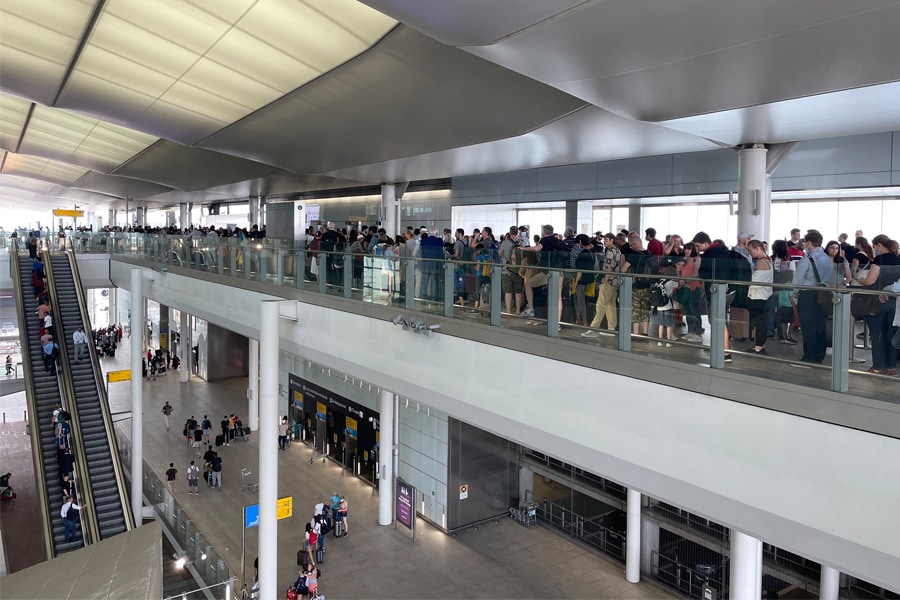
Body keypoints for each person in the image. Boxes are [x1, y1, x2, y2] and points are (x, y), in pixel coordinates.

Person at [854, 234, 899, 375]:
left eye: (875, 247)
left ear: (879, 245)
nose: (875, 250)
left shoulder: (880, 259)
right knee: (889, 334)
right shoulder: (898, 259)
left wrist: (859, 279)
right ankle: (891, 367)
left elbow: (870, 281)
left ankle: (878, 366)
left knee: (876, 334)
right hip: (893, 301)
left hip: (877, 301)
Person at [746, 240, 774, 355]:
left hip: (757, 296)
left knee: (759, 322)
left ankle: (758, 347)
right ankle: (760, 345)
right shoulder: (768, 260)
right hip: (764, 295)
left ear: (757, 248)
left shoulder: (760, 263)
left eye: (750, 250)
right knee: (761, 321)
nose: (750, 253)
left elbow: (754, 281)